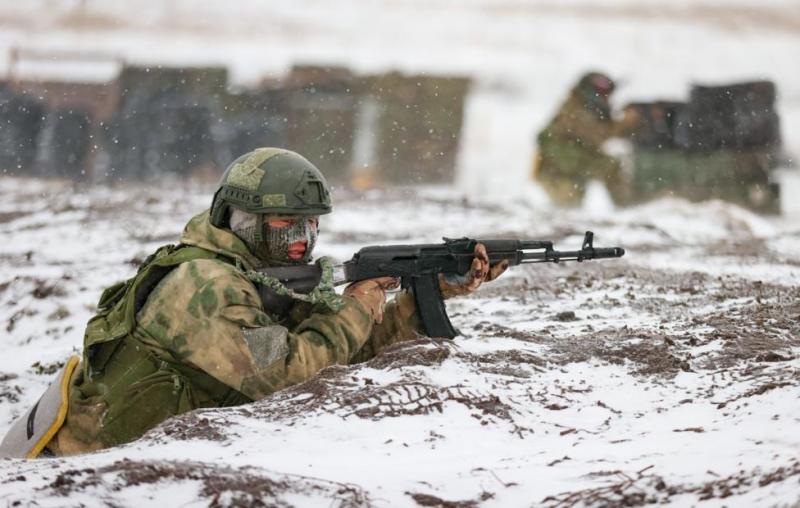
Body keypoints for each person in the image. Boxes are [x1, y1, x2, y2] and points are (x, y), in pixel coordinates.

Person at [0, 147, 505, 458]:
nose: (304, 241)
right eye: (288, 225)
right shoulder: (204, 288)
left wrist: (428, 292)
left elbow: (344, 348)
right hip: (84, 471)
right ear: (243, 219)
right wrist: (354, 305)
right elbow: (289, 373)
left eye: (312, 225)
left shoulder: (254, 273)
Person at [533, 71, 639, 206]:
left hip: (568, 166)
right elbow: (597, 135)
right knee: (567, 205)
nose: (607, 98)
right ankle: (628, 207)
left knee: (570, 205)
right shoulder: (574, 109)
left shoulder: (583, 106)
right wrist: (626, 122)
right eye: (603, 93)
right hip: (558, 169)